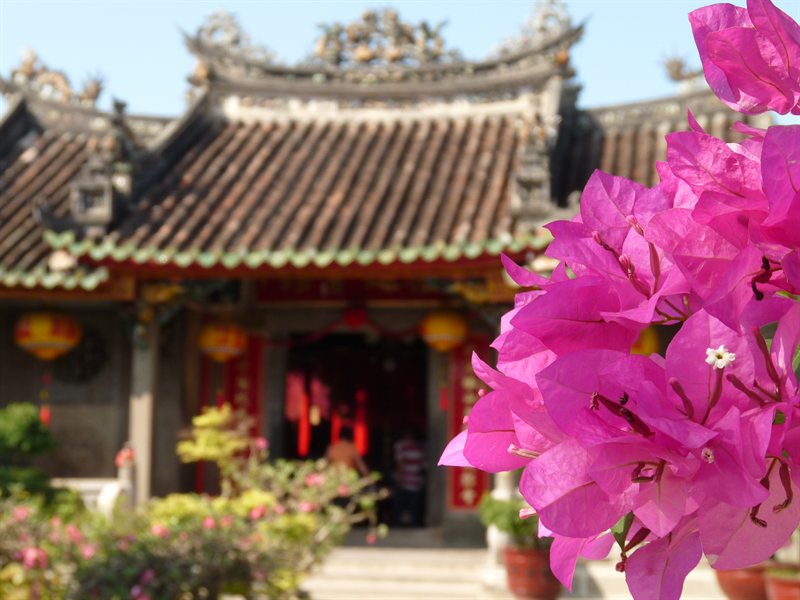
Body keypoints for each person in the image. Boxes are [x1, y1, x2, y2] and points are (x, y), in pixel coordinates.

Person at [392, 429, 425, 527]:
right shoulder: (421, 447)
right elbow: (423, 466)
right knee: (414, 509)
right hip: (416, 482)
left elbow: (400, 463)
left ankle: (396, 526)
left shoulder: (401, 446)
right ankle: (414, 526)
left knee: (399, 508)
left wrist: (399, 478)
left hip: (404, 481)